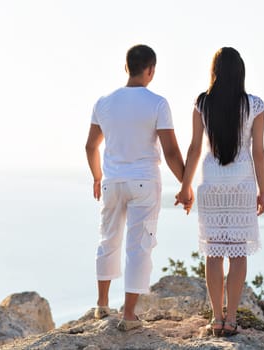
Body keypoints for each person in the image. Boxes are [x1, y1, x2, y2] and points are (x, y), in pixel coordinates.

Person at [85, 44, 189, 331]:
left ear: (126, 67)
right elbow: (170, 152)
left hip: (112, 182)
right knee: (139, 246)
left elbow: (91, 145)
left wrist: (97, 176)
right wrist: (186, 185)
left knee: (108, 239)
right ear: (151, 70)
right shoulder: (157, 103)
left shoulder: (103, 102)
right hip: (144, 181)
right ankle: (129, 315)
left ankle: (102, 304)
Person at [176, 47, 264, 337]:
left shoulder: (202, 103)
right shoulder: (254, 105)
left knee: (213, 253)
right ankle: (231, 319)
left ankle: (216, 319)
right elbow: (259, 151)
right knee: (238, 254)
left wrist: (185, 186)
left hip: (211, 182)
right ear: (241, 72)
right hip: (242, 182)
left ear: (214, 71)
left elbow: (193, 148)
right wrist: (263, 190)